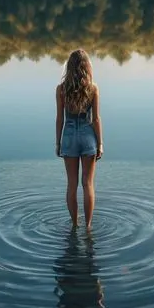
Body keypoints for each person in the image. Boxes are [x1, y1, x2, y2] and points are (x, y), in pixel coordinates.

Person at [55, 49, 103, 230]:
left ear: (69, 66)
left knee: (72, 185)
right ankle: (88, 227)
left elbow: (60, 118)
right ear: (86, 66)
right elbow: (96, 119)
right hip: (87, 136)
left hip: (68, 137)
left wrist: (58, 143)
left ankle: (75, 225)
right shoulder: (92, 88)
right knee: (88, 184)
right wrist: (100, 143)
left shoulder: (61, 89)